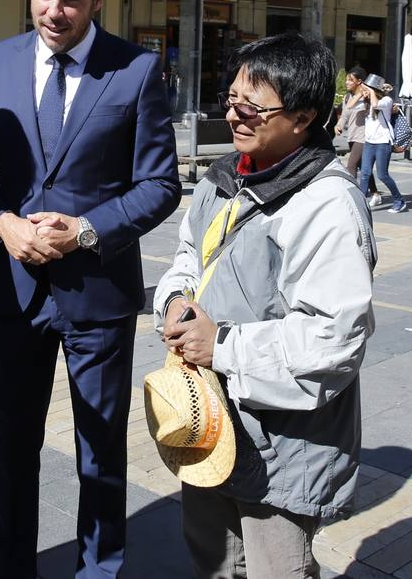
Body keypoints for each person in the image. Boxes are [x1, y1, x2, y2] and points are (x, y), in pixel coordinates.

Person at [0, 0, 180, 578]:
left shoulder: (134, 69)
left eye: (70, 0)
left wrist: (84, 229)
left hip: (98, 294)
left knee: (101, 447)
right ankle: (11, 569)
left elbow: (160, 185)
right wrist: (1, 223)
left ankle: (100, 570)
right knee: (13, 444)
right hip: (16, 292)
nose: (54, 11)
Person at [151, 33, 375, 579]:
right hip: (212, 423)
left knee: (277, 568)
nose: (233, 116)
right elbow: (187, 258)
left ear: (303, 117)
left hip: (286, 446)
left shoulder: (326, 203)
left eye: (251, 107)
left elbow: (334, 340)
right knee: (213, 561)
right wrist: (177, 300)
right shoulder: (222, 179)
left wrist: (221, 344)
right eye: (230, 101)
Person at [360, 73, 406, 213]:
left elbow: (376, 104)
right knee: (364, 173)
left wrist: (372, 91)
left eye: (367, 90)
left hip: (383, 142)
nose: (364, 93)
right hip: (369, 142)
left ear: (374, 89)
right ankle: (360, 203)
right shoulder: (367, 102)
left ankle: (399, 200)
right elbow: (350, 105)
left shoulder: (386, 101)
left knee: (382, 175)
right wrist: (364, 92)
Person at [334, 67, 379, 201]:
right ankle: (375, 194)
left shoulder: (367, 97)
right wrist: (339, 125)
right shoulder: (348, 97)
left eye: (350, 80)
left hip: (364, 136)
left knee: (351, 165)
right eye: (347, 80)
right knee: (362, 166)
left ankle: (351, 196)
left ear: (359, 82)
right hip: (352, 135)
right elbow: (344, 115)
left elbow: (376, 108)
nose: (347, 82)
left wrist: (364, 94)